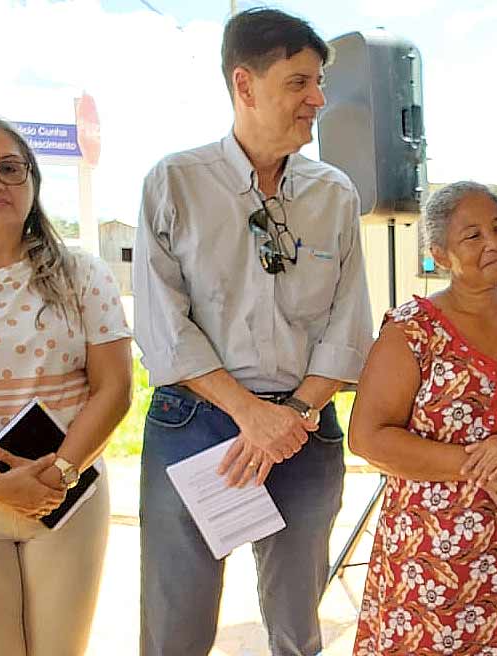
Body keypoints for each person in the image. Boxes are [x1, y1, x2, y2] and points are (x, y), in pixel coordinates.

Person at [133, 8, 373, 656]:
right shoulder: (174, 182)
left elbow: (348, 327)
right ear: (245, 84)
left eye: (319, 81)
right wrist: (248, 415)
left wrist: (290, 415)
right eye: (299, 82)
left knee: (299, 631)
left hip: (304, 431)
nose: (318, 98)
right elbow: (161, 325)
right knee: (174, 628)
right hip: (197, 424)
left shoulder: (335, 194)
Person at [349, 181, 497, 655]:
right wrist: (477, 465)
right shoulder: (411, 331)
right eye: (473, 236)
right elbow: (368, 438)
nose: (495, 243)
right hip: (433, 560)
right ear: (441, 256)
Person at [0, 112, 132, 655]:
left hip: (67, 496)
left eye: (10, 168)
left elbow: (114, 388)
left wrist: (58, 472)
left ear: (32, 182)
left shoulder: (83, 274)